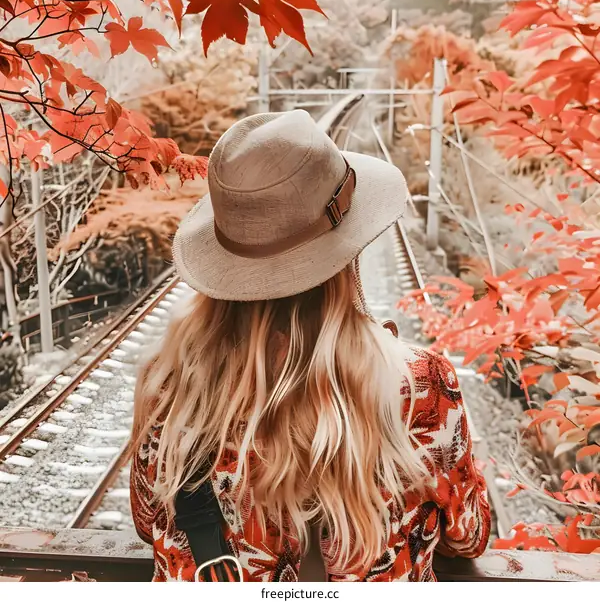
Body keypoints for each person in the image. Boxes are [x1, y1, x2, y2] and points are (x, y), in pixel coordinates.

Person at [130, 109, 490, 582]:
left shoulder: (170, 384)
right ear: (346, 253)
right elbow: (468, 535)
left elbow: (146, 521)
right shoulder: (423, 386)